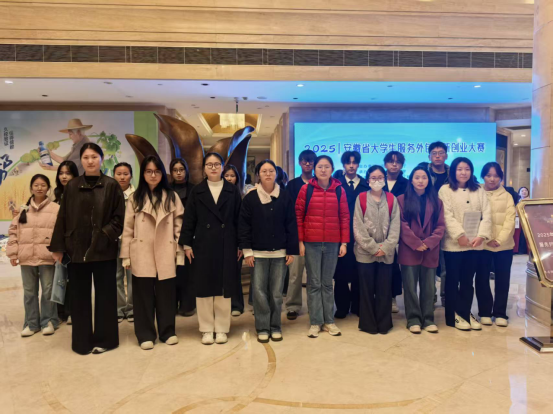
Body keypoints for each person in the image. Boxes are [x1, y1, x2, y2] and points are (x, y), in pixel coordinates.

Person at [50, 143, 125, 355]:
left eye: (94, 156)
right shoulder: (72, 186)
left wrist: (103, 235)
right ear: (81, 160)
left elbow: (119, 219)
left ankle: (106, 340)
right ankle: (81, 342)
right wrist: (58, 247)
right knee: (79, 297)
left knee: (106, 296)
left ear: (101, 158)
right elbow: (63, 217)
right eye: (86, 157)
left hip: (104, 250)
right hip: (76, 249)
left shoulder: (111, 185)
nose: (90, 161)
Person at [120, 156, 184, 350]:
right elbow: (127, 228)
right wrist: (126, 256)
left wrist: (179, 253)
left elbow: (179, 228)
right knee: (143, 296)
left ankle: (167, 332)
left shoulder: (172, 196)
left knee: (166, 295)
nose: (153, 175)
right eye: (149, 171)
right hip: (142, 251)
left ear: (162, 173)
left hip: (166, 250)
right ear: (143, 174)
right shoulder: (135, 198)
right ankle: (145, 334)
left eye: (156, 171)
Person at [180, 153, 243, 346]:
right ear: (204, 168)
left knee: (224, 288)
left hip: (227, 243)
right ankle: (206, 329)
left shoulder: (232, 190)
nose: (213, 168)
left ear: (223, 167)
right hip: (203, 244)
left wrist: (241, 244)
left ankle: (222, 328)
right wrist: (187, 244)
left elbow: (239, 219)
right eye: (209, 165)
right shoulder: (197, 191)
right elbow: (189, 219)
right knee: (204, 288)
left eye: (217, 164)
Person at [239, 160, 299, 343]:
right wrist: (247, 251)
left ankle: (275, 326)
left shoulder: (285, 196)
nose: (267, 174)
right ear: (258, 174)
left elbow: (291, 224)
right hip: (257, 254)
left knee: (276, 293)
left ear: (276, 174)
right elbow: (244, 226)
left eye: (271, 171)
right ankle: (263, 327)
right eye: (264, 171)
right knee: (259, 292)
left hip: (280, 253)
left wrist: (291, 250)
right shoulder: (250, 198)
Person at [296, 155, 349, 339]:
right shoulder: (306, 189)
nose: (323, 170)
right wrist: (300, 242)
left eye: (327, 166)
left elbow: (344, 216)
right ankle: (315, 322)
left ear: (332, 169)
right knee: (314, 283)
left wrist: (344, 242)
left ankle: (329, 321)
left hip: (333, 243)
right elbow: (298, 216)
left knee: (327, 283)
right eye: (320, 166)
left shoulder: (339, 190)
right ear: (315, 169)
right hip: (311, 242)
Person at [439, 157, 492, 331]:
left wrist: (482, 236)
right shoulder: (445, 190)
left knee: (468, 281)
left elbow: (487, 215)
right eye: (460, 169)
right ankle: (452, 316)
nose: (463, 172)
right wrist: (459, 235)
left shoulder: (479, 190)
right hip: (454, 245)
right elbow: (446, 215)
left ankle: (465, 312)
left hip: (475, 243)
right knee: (452, 280)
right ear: (453, 171)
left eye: (467, 169)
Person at [8, 174, 60, 337]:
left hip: (47, 256)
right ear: (31, 188)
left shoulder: (56, 209)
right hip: (26, 257)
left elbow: (60, 232)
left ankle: (48, 322)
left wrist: (59, 252)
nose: (39, 188)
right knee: (29, 292)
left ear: (48, 188)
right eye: (36, 185)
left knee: (47, 291)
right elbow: (13, 231)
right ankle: (31, 324)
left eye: (43, 185)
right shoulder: (23, 209)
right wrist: (13, 253)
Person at [397, 167, 445, 334]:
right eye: (417, 177)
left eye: (424, 177)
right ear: (411, 180)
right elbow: (401, 224)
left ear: (428, 180)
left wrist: (428, 242)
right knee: (410, 287)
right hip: (409, 249)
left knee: (429, 287)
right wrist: (416, 242)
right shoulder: (402, 200)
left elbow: (440, 226)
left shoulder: (437, 201)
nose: (420, 180)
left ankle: (428, 319)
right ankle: (413, 319)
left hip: (430, 250)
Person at [354, 166, 400, 335]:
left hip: (386, 254)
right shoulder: (361, 198)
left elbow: (395, 226)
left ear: (385, 179)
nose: (377, 180)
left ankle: (384, 324)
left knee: (384, 290)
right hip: (365, 253)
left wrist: (386, 247)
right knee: (366, 290)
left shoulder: (392, 199)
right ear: (368, 180)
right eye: (373, 178)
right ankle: (368, 324)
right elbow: (357, 226)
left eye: (380, 177)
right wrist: (373, 247)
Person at [475, 163, 516, 328]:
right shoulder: (476, 193)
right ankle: (484, 312)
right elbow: (474, 218)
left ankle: (500, 313)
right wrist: (486, 239)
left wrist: (499, 240)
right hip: (482, 245)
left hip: (504, 246)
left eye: (496, 176)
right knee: (481, 279)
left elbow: (510, 221)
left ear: (501, 178)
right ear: (483, 176)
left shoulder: (507, 196)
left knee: (502, 280)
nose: (492, 179)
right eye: (488, 175)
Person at [333, 151, 370, 319]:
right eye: (348, 162)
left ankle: (357, 306)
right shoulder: (336, 184)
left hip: (361, 236)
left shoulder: (366, 185)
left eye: (354, 162)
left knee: (359, 273)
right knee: (340, 274)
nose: (351, 166)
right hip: (341, 235)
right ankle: (341, 307)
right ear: (343, 165)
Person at [285, 149, 317, 321]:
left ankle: (314, 306)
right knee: (295, 274)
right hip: (296, 235)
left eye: (311, 161)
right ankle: (293, 306)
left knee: (314, 275)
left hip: (315, 235)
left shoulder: (320, 183)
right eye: (304, 160)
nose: (308, 163)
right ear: (299, 162)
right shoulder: (292, 185)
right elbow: (287, 211)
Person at [419, 141, 451, 308]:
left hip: (448, 223)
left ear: (446, 155)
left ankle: (446, 296)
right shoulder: (422, 172)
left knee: (446, 265)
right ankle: (429, 297)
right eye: (434, 153)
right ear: (429, 156)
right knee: (428, 264)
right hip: (427, 224)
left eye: (441, 153)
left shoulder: (453, 173)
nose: (437, 156)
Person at [53, 161, 79, 325]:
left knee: (73, 279)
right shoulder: (54, 196)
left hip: (74, 243)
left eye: (68, 173)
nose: (64, 176)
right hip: (57, 243)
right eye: (61, 173)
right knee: (58, 278)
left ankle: (71, 312)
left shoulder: (79, 194)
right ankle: (59, 311)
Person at [383, 151, 409, 314]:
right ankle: (379, 296)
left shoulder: (407, 184)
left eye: (398, 162)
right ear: (385, 164)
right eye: (391, 161)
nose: (394, 164)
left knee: (394, 265)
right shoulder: (377, 181)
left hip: (399, 228)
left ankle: (392, 297)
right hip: (378, 228)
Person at [170, 158, 196, 318]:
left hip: (189, 236)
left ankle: (187, 305)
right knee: (171, 273)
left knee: (187, 273)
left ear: (186, 170)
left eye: (181, 169)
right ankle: (171, 305)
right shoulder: (166, 190)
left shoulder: (194, 189)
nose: (179, 173)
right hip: (169, 235)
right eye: (175, 170)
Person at [223, 164, 247, 316]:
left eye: (232, 175)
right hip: (220, 240)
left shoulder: (241, 195)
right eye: (227, 175)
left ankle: (236, 305)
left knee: (235, 274)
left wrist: (241, 245)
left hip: (235, 240)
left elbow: (241, 222)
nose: (229, 178)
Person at [113, 162, 135, 324]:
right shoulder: (109, 193)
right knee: (116, 276)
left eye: (125, 174)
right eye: (119, 174)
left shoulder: (137, 195)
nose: (122, 177)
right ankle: (119, 309)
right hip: (113, 240)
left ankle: (132, 308)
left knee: (133, 276)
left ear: (131, 176)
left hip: (132, 240)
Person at [517, 187, 530, 255]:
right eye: (522, 191)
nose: (524, 192)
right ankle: (521, 250)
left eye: (525, 190)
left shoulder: (531, 201)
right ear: (519, 193)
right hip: (519, 221)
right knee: (520, 235)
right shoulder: (517, 202)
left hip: (528, 220)